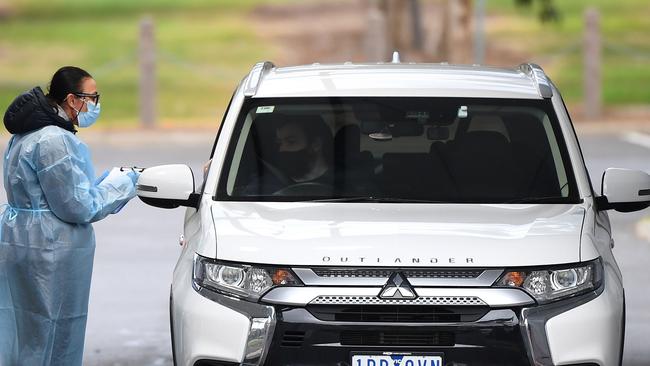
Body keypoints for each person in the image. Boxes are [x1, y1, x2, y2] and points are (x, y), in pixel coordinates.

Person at [0, 66, 139, 366]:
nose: (95, 105)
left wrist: (101, 186)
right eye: (93, 97)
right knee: (54, 330)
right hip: (50, 252)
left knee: (25, 333)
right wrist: (125, 184)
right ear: (73, 100)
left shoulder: (25, 136)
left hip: (21, 242)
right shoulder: (55, 141)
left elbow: (54, 193)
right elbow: (77, 206)